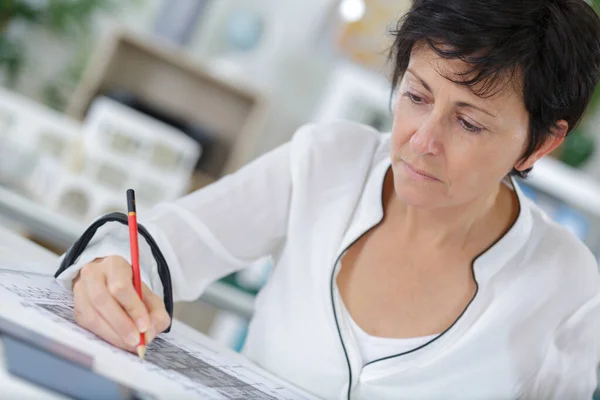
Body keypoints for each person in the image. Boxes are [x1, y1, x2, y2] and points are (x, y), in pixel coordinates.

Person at [55, 0, 600, 398]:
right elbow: (155, 243)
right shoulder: (328, 163)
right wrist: (111, 271)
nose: (422, 140)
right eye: (415, 96)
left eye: (469, 123)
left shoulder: (566, 284)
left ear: (542, 142)